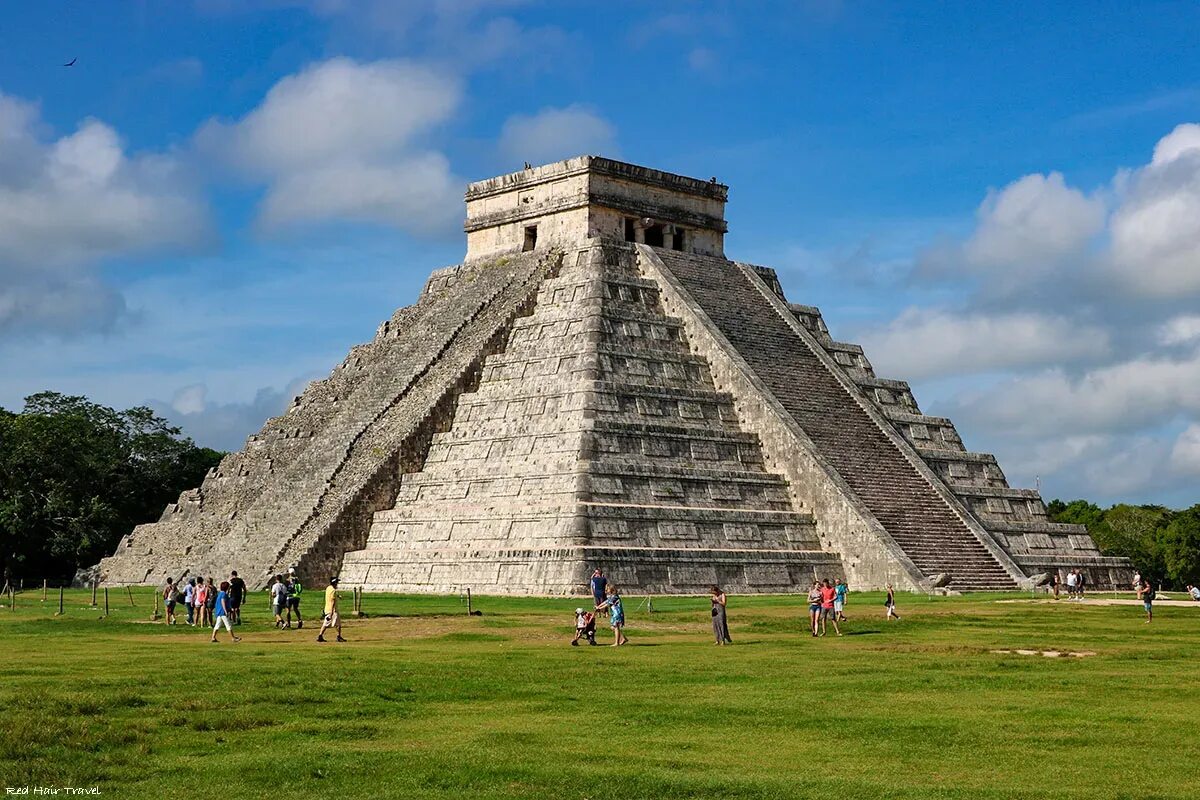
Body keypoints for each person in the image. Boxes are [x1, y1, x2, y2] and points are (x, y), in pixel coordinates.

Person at [317, 576, 346, 643]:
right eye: (336, 582)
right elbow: (333, 601)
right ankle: (338, 636)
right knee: (337, 624)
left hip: (327, 609)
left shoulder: (328, 588)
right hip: (332, 610)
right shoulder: (333, 590)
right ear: (334, 583)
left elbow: (332, 595)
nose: (337, 584)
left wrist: (338, 596)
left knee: (326, 624)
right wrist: (332, 612)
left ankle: (320, 636)